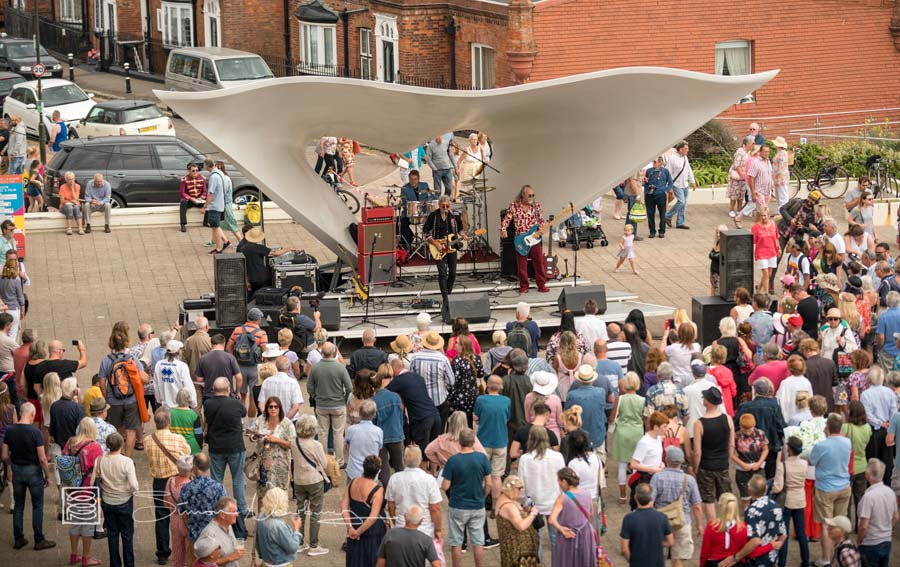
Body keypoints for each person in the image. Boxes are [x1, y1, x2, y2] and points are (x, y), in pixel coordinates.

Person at [2, 402, 55, 550]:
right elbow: (43, 459)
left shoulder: (10, 431)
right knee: (37, 506)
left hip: (17, 470)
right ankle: (39, 539)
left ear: (20, 413)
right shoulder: (35, 433)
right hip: (33, 472)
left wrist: (10, 468)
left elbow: (5, 455)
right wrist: (47, 476)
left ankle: (18, 539)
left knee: (18, 506)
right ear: (32, 415)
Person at [145, 407, 192, 565]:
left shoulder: (147, 440)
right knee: (183, 514)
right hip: (176, 481)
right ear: (169, 422)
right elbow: (188, 453)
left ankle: (163, 552)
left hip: (158, 482)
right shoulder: (178, 439)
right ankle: (186, 549)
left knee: (161, 516)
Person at [809, 413, 852, 563]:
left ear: (826, 427)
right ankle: (840, 555)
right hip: (844, 486)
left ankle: (826, 559)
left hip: (826, 488)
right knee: (840, 523)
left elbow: (811, 461)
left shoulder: (821, 445)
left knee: (826, 525)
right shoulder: (847, 442)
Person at [650, 446, 703, 567]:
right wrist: (699, 525)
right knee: (678, 557)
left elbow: (650, 502)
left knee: (658, 557)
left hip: (661, 521)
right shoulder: (689, 480)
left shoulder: (657, 477)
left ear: (667, 460)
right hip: (682, 521)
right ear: (682, 461)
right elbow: (697, 506)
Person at [59, 417, 102, 565]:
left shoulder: (70, 443)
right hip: (88, 490)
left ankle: (73, 554)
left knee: (75, 523)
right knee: (88, 525)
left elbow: (64, 462)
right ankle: (86, 557)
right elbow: (99, 470)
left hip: (71, 489)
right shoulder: (95, 447)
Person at [203, 377, 248, 515]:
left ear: (213, 390)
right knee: (238, 479)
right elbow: (244, 413)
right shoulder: (235, 403)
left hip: (216, 446)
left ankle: (219, 508)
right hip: (235, 445)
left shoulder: (208, 404)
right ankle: (241, 509)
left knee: (216, 479)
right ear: (228, 389)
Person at [517, 426, 564, 554]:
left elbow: (521, 483)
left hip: (534, 504)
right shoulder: (558, 456)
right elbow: (563, 481)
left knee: (535, 541)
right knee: (556, 540)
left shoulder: (525, 459)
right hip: (554, 502)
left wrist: (524, 501)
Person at [289, 414, 329, 556]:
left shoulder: (294, 442)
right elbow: (324, 464)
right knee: (315, 513)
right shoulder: (316, 445)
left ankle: (299, 542)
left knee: (300, 510)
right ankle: (314, 545)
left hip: (299, 481)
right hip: (314, 481)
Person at [693, 387, 734, 524]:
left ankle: (714, 527)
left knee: (709, 500)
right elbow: (731, 445)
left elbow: (697, 451)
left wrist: (695, 468)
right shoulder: (727, 419)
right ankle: (728, 524)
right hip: (722, 464)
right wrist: (726, 460)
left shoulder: (699, 423)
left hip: (706, 466)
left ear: (708, 402)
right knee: (726, 497)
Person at [97, 433, 139, 567]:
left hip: (108, 502)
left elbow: (95, 480)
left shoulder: (100, 460)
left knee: (112, 534)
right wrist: (134, 491)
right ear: (121, 444)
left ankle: (114, 564)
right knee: (127, 535)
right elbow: (133, 485)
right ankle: (129, 564)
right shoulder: (127, 462)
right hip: (124, 501)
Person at [386, 445, 443, 540]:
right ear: (420, 460)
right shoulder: (429, 480)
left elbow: (391, 505)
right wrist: (438, 529)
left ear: (404, 460)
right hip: (424, 528)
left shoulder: (394, 478)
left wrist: (395, 520)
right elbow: (435, 508)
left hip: (402, 525)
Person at [500, 185, 550, 293]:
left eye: (533, 195)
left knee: (539, 262)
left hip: (534, 239)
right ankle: (524, 286)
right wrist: (503, 229)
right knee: (522, 265)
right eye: (529, 195)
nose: (532, 197)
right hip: (521, 239)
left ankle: (541, 284)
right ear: (523, 195)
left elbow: (541, 220)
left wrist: (541, 229)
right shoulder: (514, 206)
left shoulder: (536, 206)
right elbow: (506, 220)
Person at [701, 492, 772, 567]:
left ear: (721, 506)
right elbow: (749, 552)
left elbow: (704, 552)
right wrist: (770, 546)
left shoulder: (711, 526)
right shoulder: (743, 527)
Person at [342, 455, 387, 567]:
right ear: (378, 471)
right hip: (371, 533)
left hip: (354, 525)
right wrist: (358, 532)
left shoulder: (352, 482)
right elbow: (373, 517)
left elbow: (344, 506)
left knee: (354, 560)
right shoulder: (378, 490)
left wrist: (350, 528)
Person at [473, 375, 509, 510]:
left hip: (483, 442)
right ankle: (495, 506)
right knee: (496, 476)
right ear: (500, 387)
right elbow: (507, 417)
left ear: (487, 385)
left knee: (482, 475)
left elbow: (476, 417)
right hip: (500, 441)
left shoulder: (481, 400)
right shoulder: (506, 401)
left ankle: (481, 502)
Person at [547, 467, 595, 567]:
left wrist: (561, 529)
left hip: (568, 534)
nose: (559, 484)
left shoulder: (563, 497)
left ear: (564, 481)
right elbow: (591, 513)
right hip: (586, 533)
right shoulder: (587, 493)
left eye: (559, 481)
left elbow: (551, 520)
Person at [773, 436, 809, 567]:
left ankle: (782, 563)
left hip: (787, 501)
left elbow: (778, 487)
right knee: (802, 533)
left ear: (789, 449)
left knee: (784, 534)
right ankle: (805, 562)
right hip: (800, 499)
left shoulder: (783, 466)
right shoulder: (805, 463)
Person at [855, 458, 898, 567]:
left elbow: (864, 526)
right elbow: (896, 517)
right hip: (886, 541)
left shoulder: (868, 496)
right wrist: (888, 530)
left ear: (867, 475)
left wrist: (859, 540)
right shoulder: (890, 492)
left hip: (870, 543)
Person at [620, 482, 674, 567]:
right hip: (657, 563)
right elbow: (670, 542)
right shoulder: (662, 517)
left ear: (635, 497)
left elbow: (624, 549)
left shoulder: (629, 519)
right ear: (651, 498)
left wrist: (632, 561)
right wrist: (656, 542)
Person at [425, 195, 467, 302]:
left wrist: (463, 235)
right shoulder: (433, 216)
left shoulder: (454, 215)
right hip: (438, 247)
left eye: (447, 205)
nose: (445, 208)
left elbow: (460, 229)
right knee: (442, 273)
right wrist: (435, 243)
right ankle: (445, 297)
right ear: (439, 205)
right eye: (443, 206)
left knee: (452, 273)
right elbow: (426, 232)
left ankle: (448, 293)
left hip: (451, 247)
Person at [410, 331, 455, 427]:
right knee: (439, 431)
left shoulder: (415, 357)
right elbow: (451, 381)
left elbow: (411, 379)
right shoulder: (443, 359)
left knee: (423, 433)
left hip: (421, 400)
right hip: (439, 400)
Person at [494, 475, 539, 567]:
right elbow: (521, 526)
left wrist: (523, 510)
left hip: (510, 546)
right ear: (511, 489)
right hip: (519, 549)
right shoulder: (509, 506)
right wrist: (533, 514)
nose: (520, 491)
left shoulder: (503, 498)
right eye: (519, 488)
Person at [377, 506, 441, 567]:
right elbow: (436, 564)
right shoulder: (426, 540)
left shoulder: (390, 534)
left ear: (405, 517)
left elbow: (380, 563)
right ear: (421, 521)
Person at [254, 487, 303, 567]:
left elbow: (257, 542)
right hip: (281, 564)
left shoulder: (261, 517)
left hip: (266, 562)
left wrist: (261, 555)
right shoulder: (278, 525)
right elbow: (292, 547)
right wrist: (296, 529)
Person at [732, 413, 769, 508]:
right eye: (745, 429)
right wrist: (742, 464)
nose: (748, 432)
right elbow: (731, 454)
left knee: (760, 497)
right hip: (743, 470)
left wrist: (759, 462)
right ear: (740, 426)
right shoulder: (736, 436)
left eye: (750, 429)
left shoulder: (760, 434)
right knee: (745, 498)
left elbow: (765, 449)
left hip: (758, 468)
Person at [196, 496, 245, 567]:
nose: (237, 515)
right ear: (222, 515)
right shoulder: (210, 533)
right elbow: (204, 563)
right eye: (233, 512)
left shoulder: (228, 525)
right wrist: (230, 557)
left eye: (236, 511)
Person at [164, 455, 194, 567]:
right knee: (189, 554)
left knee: (177, 554)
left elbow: (165, 502)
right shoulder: (191, 485)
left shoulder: (170, 481)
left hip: (174, 520)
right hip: (187, 521)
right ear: (191, 469)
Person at [153, 340, 196, 410]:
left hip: (164, 407)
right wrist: (193, 403)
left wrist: (158, 400)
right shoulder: (182, 366)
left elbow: (156, 385)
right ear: (178, 352)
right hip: (179, 407)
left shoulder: (159, 365)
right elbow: (188, 386)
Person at [777, 355, 814, 422]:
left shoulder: (785, 383)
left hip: (789, 418)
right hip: (805, 420)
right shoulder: (807, 382)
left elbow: (781, 402)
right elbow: (810, 401)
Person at [752, 210, 780, 294]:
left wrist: (779, 248)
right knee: (766, 274)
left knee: (768, 274)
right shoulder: (756, 227)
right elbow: (753, 241)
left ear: (769, 215)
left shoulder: (773, 225)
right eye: (761, 216)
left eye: (765, 215)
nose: (763, 218)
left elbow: (776, 237)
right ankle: (766, 294)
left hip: (772, 251)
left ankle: (759, 287)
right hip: (761, 253)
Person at [728, 136, 754, 218]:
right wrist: (741, 175)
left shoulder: (749, 152)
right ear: (747, 143)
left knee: (741, 194)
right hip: (737, 175)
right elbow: (737, 165)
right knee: (734, 193)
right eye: (752, 143)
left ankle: (739, 210)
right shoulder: (740, 151)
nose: (753, 144)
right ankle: (731, 210)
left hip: (744, 176)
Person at [178, 163, 207, 232]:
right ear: (189, 171)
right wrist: (191, 198)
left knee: (210, 202)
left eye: (197, 170)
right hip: (190, 200)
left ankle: (206, 222)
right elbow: (182, 193)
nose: (195, 172)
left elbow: (205, 191)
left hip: (199, 200)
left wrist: (201, 198)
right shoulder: (184, 179)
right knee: (183, 203)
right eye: (193, 170)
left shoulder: (202, 178)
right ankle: (183, 225)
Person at [0, 259, 24, 339]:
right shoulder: (16, 281)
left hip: (3, 309)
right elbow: (20, 297)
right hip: (14, 308)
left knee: (3, 333)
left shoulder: (1, 280)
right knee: (12, 334)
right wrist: (22, 311)